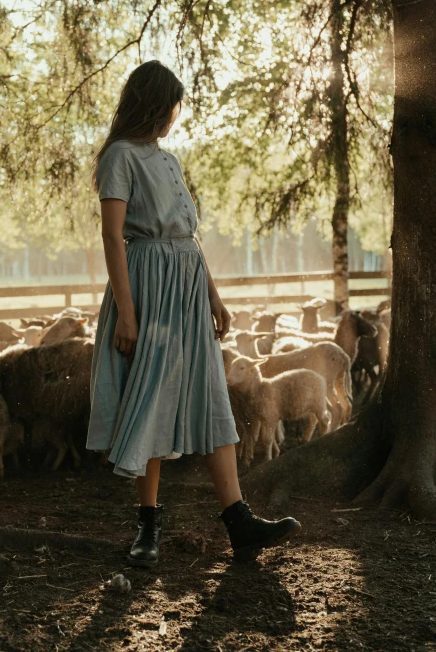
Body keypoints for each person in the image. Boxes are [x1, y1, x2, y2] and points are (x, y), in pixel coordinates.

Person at [86, 60, 301, 567]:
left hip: (186, 292)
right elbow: (113, 236)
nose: (173, 116)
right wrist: (126, 312)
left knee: (209, 398)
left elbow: (188, 237)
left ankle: (240, 522)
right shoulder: (119, 157)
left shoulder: (170, 160)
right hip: (148, 291)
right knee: (153, 399)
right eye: (169, 106)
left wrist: (214, 295)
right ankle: (147, 526)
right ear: (152, 103)